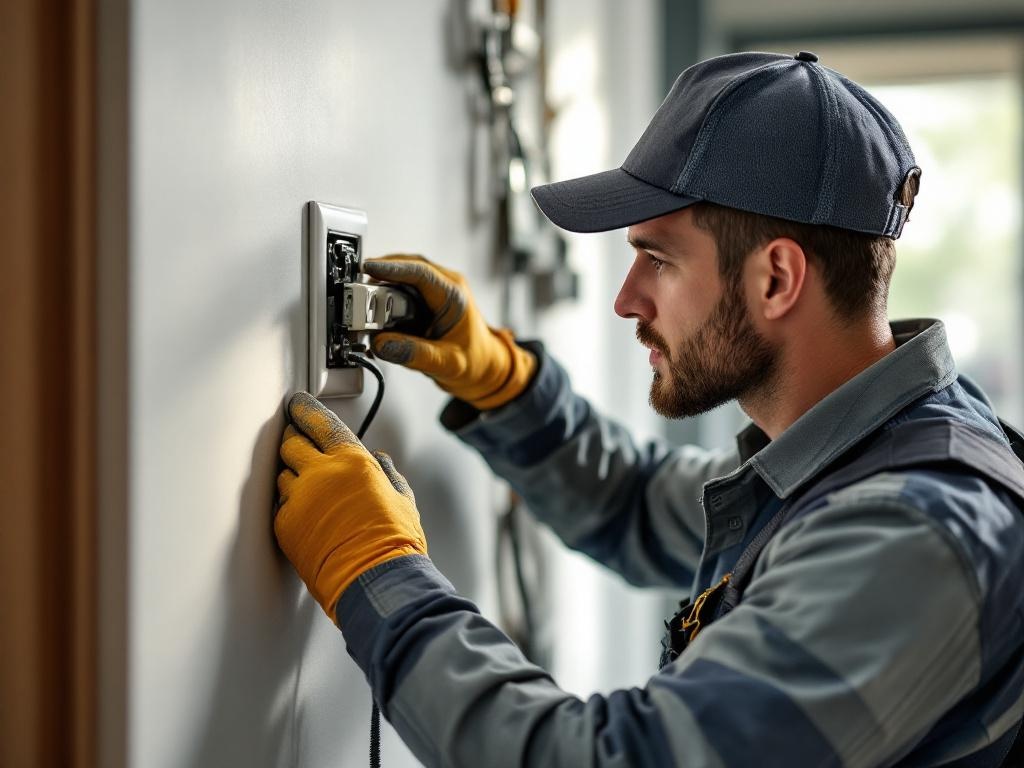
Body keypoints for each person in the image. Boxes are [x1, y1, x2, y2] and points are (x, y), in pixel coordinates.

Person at [274, 51, 1024, 766]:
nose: (626, 300)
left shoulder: (913, 530)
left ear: (776, 279)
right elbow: (636, 504)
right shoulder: (849, 455)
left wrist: (378, 574)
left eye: (659, 260)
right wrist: (505, 386)